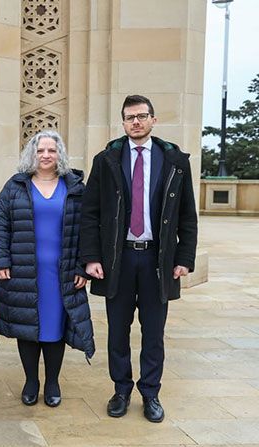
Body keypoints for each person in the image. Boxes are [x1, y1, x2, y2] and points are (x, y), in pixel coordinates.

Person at [80, 95, 198, 423]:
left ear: (153, 120)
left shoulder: (174, 160)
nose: (136, 122)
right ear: (123, 122)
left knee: (153, 332)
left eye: (142, 116)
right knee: (117, 330)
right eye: (130, 117)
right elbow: (90, 213)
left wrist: (184, 256)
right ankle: (120, 390)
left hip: (157, 261)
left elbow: (187, 215)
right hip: (117, 260)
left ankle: (150, 393)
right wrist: (90, 257)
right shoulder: (107, 160)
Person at [0, 130, 95, 408]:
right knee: (28, 328)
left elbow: (88, 231)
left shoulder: (75, 188)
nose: (46, 155)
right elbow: (0, 224)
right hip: (24, 269)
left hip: (61, 273)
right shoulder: (15, 186)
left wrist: (83, 268)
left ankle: (52, 382)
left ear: (59, 154)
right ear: (31, 154)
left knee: (54, 328)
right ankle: (31, 381)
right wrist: (0, 260)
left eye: (51, 150)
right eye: (40, 150)